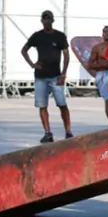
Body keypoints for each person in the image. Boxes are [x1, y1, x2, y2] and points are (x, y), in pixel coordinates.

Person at [21, 10, 73, 143]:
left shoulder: (60, 36)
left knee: (62, 104)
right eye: (44, 19)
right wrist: (32, 64)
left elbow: (66, 55)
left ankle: (68, 131)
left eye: (49, 19)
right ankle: (47, 132)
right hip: (41, 77)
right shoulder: (37, 36)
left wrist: (63, 74)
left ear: (52, 20)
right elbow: (24, 50)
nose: (47, 21)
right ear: (41, 21)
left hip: (56, 76)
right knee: (42, 105)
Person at [88, 25, 108, 126]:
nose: (107, 33)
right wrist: (99, 72)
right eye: (105, 32)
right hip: (103, 75)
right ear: (102, 34)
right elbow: (90, 64)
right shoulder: (97, 48)